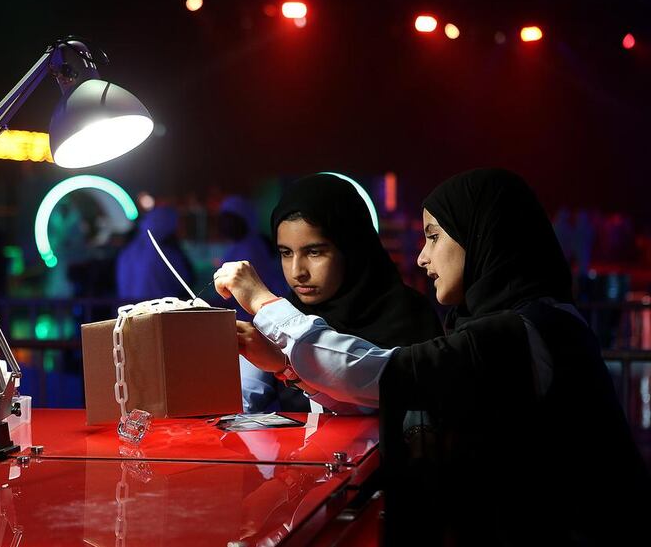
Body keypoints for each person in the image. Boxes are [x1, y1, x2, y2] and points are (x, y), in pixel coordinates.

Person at [214, 169, 650, 544]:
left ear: (481, 235)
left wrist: (264, 303)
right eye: (286, 253)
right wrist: (287, 366)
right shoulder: (526, 323)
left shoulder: (521, 333)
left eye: (434, 236)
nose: (422, 257)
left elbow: (381, 375)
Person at [234, 174, 443, 414]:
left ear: (352, 249)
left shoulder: (409, 316)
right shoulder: (283, 316)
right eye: (286, 253)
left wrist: (285, 362)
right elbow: (240, 401)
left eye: (314, 252)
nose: (297, 272)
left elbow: (365, 401)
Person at [116, 206, 194, 301]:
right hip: (160, 310)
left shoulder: (128, 251)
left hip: (130, 310)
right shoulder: (166, 253)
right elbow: (185, 281)